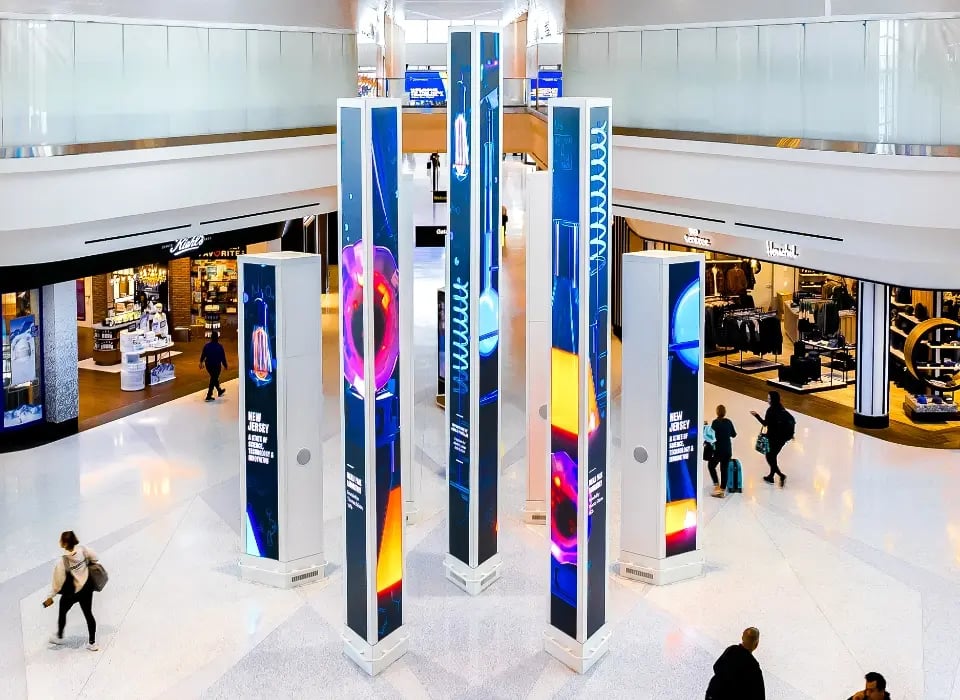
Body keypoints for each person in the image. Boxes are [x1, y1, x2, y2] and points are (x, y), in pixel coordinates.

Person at [45, 531, 99, 651]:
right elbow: (95, 558)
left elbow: (57, 584)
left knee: (62, 610)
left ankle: (59, 636)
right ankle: (92, 643)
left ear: (63, 544)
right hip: (86, 588)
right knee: (88, 614)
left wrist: (50, 597)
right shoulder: (83, 550)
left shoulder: (62, 562)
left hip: (72, 593)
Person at [705, 627, 765, 700]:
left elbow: (716, 666)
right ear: (756, 644)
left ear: (742, 637)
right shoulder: (754, 667)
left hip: (713, 694)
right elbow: (759, 695)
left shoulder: (731, 650)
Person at [751, 390, 795, 487]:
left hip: (773, 438)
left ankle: (781, 475)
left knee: (769, 457)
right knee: (773, 456)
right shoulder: (781, 408)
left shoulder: (770, 410)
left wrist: (756, 415)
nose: (768, 400)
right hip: (782, 440)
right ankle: (771, 476)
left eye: (769, 398)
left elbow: (765, 423)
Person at [708, 405, 737, 498]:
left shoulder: (715, 423)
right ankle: (722, 490)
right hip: (727, 450)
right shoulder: (728, 422)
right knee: (724, 469)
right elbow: (734, 435)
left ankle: (717, 486)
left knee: (711, 466)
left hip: (718, 450)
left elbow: (711, 436)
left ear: (717, 412)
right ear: (725, 412)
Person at [200, 331, 228, 402]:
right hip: (216, 365)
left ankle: (219, 390)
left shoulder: (207, 346)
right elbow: (223, 357)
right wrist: (225, 365)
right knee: (213, 378)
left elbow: (203, 355)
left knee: (214, 378)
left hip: (208, 365)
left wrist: (201, 362)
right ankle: (209, 395)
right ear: (217, 338)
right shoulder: (220, 347)